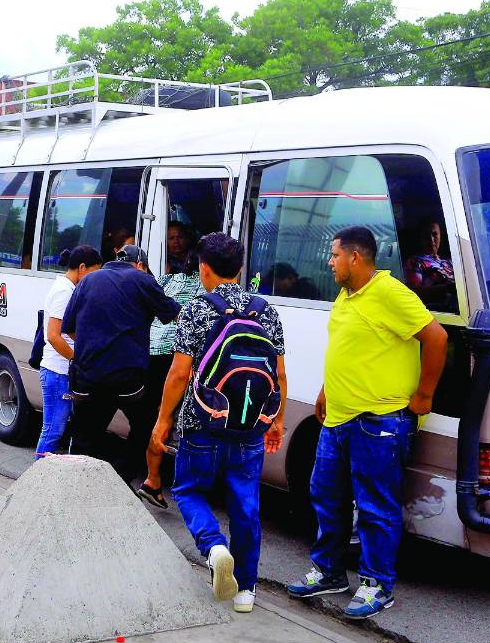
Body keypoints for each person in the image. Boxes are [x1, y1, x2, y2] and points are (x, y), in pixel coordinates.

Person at [286, 226, 447, 618]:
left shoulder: (390, 293)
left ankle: (377, 584)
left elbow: (437, 338)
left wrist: (424, 395)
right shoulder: (346, 295)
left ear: (355, 257)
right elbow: (347, 348)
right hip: (338, 418)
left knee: (375, 506)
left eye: (334, 255)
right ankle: (329, 571)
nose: (330, 262)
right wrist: (326, 390)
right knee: (326, 495)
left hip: (379, 421)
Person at [152, 233, 287, 614]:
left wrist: (162, 421)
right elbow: (278, 373)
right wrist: (276, 420)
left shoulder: (196, 310)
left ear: (204, 269)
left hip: (202, 423)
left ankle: (213, 547)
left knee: (188, 490)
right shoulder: (265, 311)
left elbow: (180, 373)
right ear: (240, 269)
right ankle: (246, 590)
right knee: (246, 505)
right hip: (251, 425)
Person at [62, 244, 181, 484]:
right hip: (127, 381)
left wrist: (93, 347)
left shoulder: (88, 280)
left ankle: (77, 487)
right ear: (140, 265)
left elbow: (69, 328)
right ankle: (120, 479)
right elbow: (175, 315)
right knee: (146, 424)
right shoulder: (142, 279)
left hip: (88, 376)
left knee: (85, 436)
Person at [135, 249, 203, 508]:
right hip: (174, 358)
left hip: (148, 351)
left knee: (156, 417)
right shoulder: (205, 290)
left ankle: (152, 479)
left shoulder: (165, 280)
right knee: (171, 419)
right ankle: (172, 484)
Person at [35, 244, 103, 459]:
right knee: (53, 431)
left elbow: (68, 330)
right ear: (82, 268)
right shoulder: (64, 291)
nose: (96, 280)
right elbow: (54, 335)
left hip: (61, 371)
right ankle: (36, 476)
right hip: (58, 371)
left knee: (58, 429)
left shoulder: (69, 288)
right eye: (94, 273)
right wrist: (77, 359)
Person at [404, 219, 456, 305]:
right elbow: (414, 293)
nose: (431, 240)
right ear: (420, 238)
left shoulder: (449, 262)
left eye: (435, 234)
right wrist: (446, 288)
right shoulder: (415, 262)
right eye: (426, 236)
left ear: (440, 236)